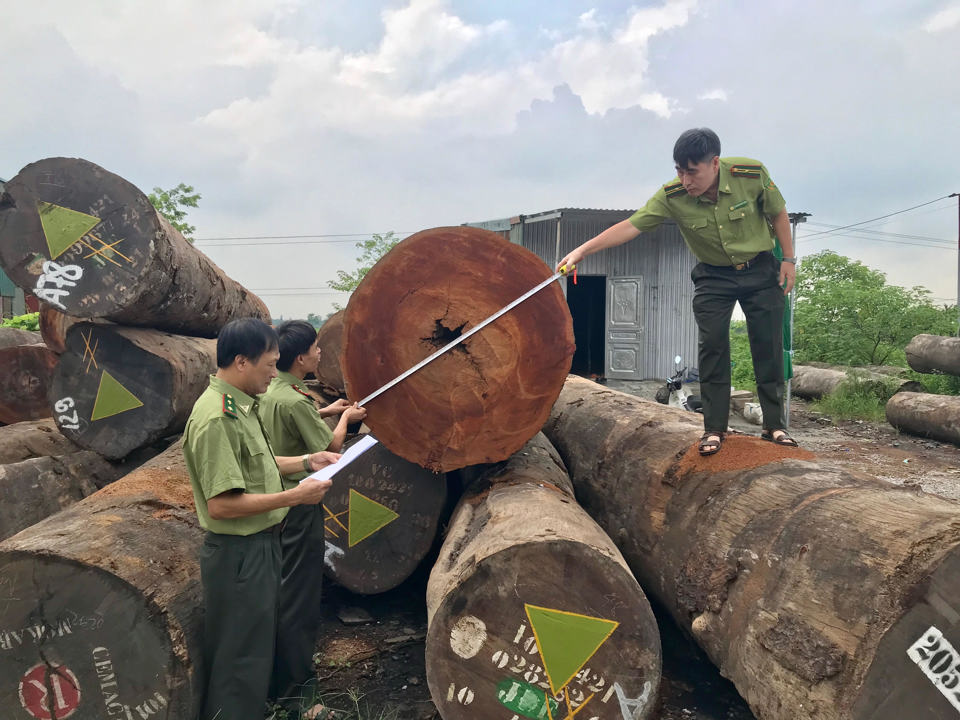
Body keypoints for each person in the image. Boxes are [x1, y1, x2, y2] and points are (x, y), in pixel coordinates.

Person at [557, 127, 799, 456]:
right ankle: (714, 429)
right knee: (712, 346)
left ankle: (775, 425)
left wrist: (788, 259)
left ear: (714, 163)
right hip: (713, 277)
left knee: (767, 345)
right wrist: (582, 251)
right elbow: (632, 225)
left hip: (760, 268)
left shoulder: (750, 174)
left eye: (692, 171)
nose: (686, 180)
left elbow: (778, 213)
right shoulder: (671, 195)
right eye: (679, 171)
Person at [182, 317, 341, 720]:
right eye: (269, 365)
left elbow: (263, 465)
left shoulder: (241, 405)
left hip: (261, 546)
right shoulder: (218, 418)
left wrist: (309, 460)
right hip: (240, 554)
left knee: (255, 648)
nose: (275, 373)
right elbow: (223, 504)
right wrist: (296, 495)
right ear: (241, 361)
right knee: (240, 656)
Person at [259, 320, 367, 715]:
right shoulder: (294, 400)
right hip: (299, 508)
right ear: (300, 358)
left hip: (274, 508)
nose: (322, 353)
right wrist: (344, 420)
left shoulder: (273, 390)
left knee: (281, 594)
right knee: (300, 602)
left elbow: (285, 417)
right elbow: (328, 447)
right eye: (317, 348)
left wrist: (324, 409)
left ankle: (276, 683)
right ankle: (299, 697)